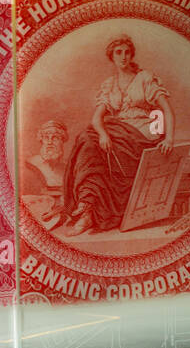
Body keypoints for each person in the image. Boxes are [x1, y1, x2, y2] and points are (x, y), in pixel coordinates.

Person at [63, 35, 173, 235]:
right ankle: (87, 209)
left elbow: (166, 110)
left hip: (141, 135)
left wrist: (169, 138)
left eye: (127, 52)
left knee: (93, 146)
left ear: (132, 55)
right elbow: (97, 119)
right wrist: (104, 135)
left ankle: (88, 210)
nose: (123, 57)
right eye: (118, 52)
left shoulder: (145, 78)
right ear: (111, 56)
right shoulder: (109, 84)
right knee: (87, 140)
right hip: (116, 132)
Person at [21, 120, 68, 229]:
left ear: (62, 141)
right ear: (41, 140)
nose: (50, 142)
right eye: (46, 137)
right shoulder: (30, 164)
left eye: (55, 138)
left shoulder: (67, 167)